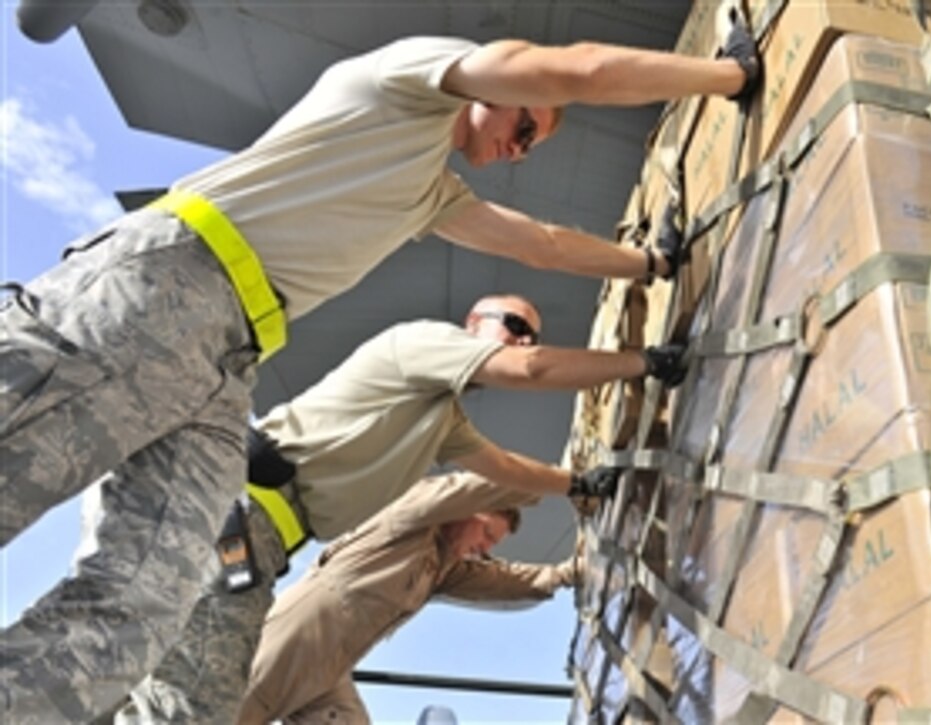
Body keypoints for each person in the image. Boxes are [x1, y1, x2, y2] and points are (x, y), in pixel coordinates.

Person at [0, 25, 759, 721]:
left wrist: (653, 265)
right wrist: (728, 76)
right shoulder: (408, 82)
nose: (523, 148)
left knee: (147, 620)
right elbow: (581, 70)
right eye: (526, 124)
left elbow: (546, 248)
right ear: (505, 84)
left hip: (230, 368)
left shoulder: (429, 198)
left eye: (535, 143)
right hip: (170, 280)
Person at [237, 471, 581, 724]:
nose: (485, 548)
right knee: (229, 711)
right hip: (302, 636)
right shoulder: (409, 521)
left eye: (494, 543)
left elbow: (502, 578)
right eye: (487, 533)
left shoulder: (444, 565)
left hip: (332, 667)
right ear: (467, 509)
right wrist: (562, 482)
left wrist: (567, 574)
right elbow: (466, 488)